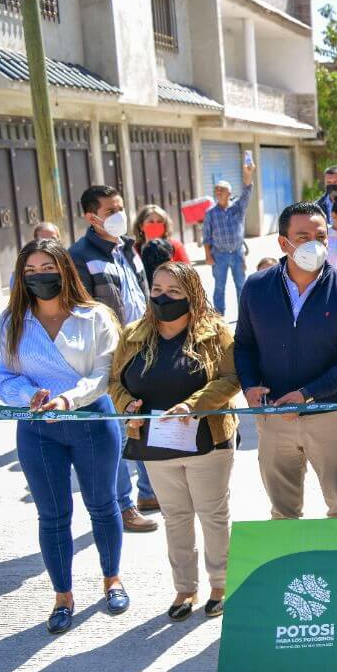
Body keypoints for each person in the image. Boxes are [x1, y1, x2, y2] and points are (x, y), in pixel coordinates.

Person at [0, 240, 127, 634]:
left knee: (103, 505)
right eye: (30, 270)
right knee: (52, 515)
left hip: (91, 422)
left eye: (46, 267)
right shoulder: (9, 323)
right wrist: (26, 396)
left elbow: (105, 374)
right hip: (38, 430)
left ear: (64, 269)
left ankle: (112, 579)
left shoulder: (95, 317)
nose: (39, 276)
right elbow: (1, 376)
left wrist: (68, 398)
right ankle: (62, 596)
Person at [108, 262, 239, 621]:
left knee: (212, 514)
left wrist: (193, 405)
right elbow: (114, 381)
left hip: (207, 441)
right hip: (155, 443)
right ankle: (185, 588)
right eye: (157, 290)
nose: (163, 298)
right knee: (175, 517)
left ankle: (220, 584)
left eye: (174, 292)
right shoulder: (134, 333)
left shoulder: (215, 332)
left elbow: (232, 378)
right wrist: (126, 406)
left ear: (192, 295)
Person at [235, 202, 337, 520]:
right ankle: (291, 571)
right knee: (283, 513)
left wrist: (307, 394)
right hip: (274, 420)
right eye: (303, 235)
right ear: (283, 243)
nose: (315, 242)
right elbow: (244, 345)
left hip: (330, 417)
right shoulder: (256, 288)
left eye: (320, 235)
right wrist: (250, 385)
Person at [69, 185, 158, 532]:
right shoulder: (80, 256)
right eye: (110, 211)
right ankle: (122, 506)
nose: (119, 215)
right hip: (111, 357)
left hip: (142, 349)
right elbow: (83, 313)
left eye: (120, 207)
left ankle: (149, 492)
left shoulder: (128, 248)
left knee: (143, 422)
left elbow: (139, 295)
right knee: (118, 434)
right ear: (91, 217)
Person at [201, 159, 255, 315]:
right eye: (216, 190)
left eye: (221, 190)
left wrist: (248, 174)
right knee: (219, 287)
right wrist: (207, 255)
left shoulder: (238, 208)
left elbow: (247, 191)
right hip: (219, 255)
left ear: (229, 193)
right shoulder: (210, 213)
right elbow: (206, 236)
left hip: (238, 253)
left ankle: (245, 315)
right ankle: (219, 316)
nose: (218, 192)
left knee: (241, 285)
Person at [133, 205, 190, 285]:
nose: (155, 225)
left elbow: (189, 276)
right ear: (141, 226)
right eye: (151, 222)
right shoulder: (133, 250)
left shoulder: (175, 246)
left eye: (159, 222)